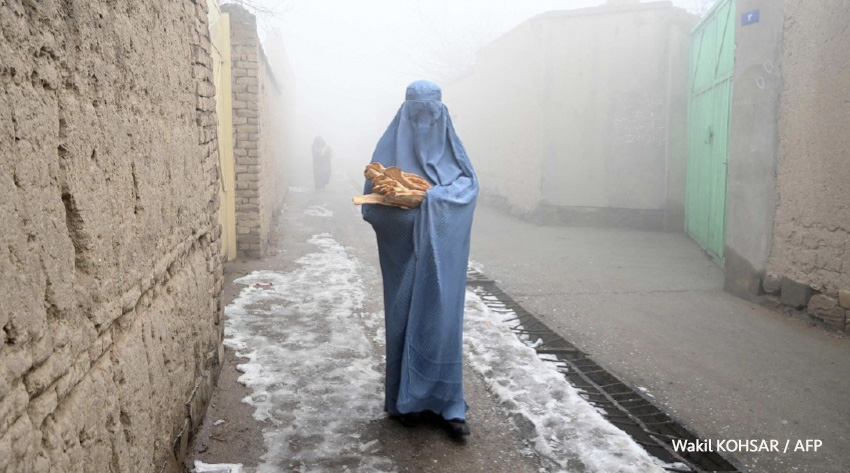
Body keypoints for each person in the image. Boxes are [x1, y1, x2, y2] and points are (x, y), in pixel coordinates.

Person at [361, 80, 478, 439]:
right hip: (404, 256)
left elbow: (469, 187)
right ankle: (404, 402)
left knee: (440, 325)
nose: (425, 123)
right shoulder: (388, 149)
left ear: (441, 114)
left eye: (431, 115)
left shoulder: (452, 149)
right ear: (405, 113)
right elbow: (372, 204)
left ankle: (447, 404)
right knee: (404, 321)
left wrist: (434, 202)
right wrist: (407, 214)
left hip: (443, 256)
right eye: (417, 116)